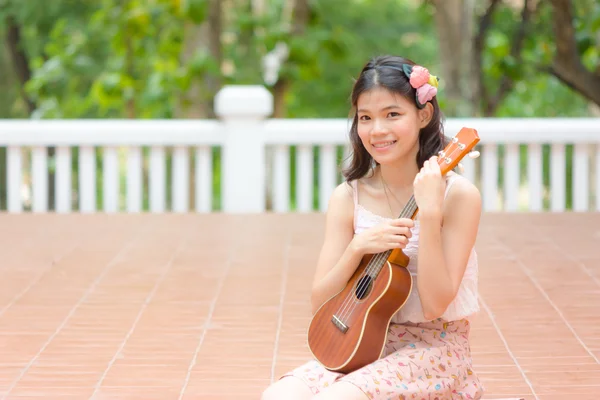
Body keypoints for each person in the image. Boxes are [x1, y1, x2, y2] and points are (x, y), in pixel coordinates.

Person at [261, 55, 484, 400]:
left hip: (433, 351)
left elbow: (436, 305)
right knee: (278, 396)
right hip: (357, 344)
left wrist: (429, 212)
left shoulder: (459, 197)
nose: (377, 130)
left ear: (423, 115)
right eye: (366, 118)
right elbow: (320, 303)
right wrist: (357, 248)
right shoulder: (348, 197)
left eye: (392, 114)